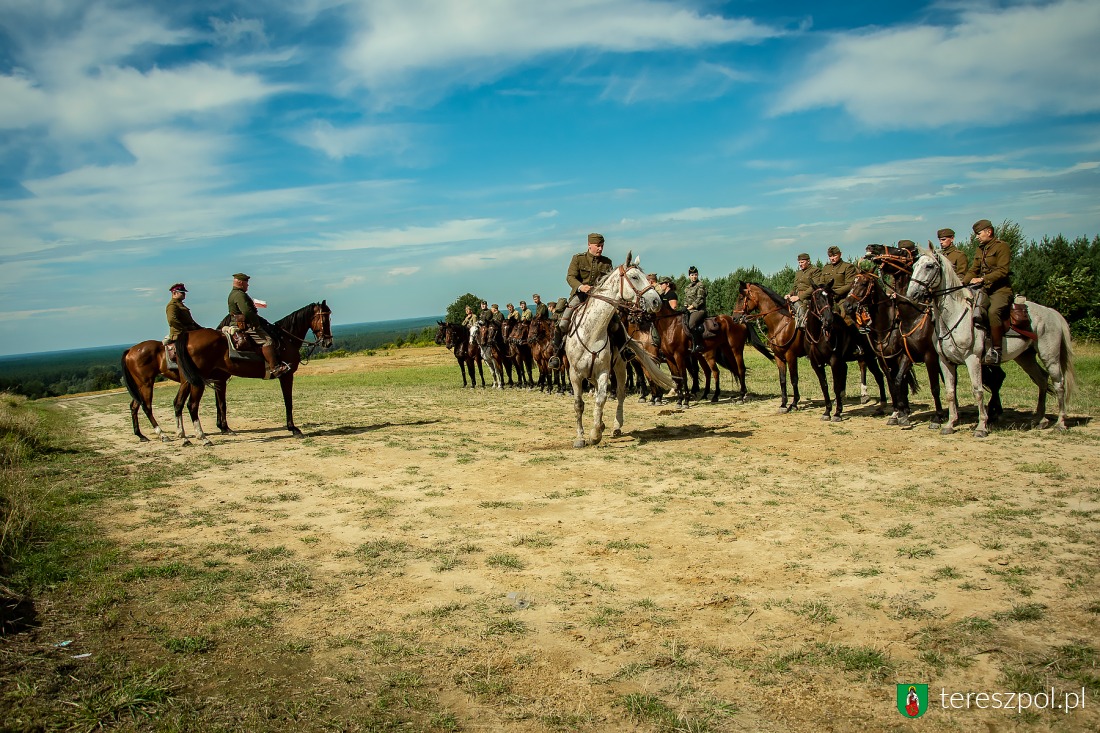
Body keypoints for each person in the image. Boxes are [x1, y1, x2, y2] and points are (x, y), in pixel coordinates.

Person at [548, 233, 614, 369]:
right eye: (597, 246)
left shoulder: (607, 262)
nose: (600, 248)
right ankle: (557, 355)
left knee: (617, 322)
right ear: (589, 245)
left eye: (602, 246)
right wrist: (580, 286)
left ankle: (623, 351)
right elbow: (570, 277)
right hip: (580, 296)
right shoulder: (578, 259)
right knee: (563, 322)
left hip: (600, 299)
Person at [964, 219, 1012, 364]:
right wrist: (962, 283)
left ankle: (996, 350)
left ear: (989, 232)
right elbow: (973, 269)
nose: (977, 237)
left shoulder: (1002, 246)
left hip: (1000, 290)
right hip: (984, 290)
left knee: (993, 312)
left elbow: (1003, 271)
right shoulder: (980, 249)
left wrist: (982, 279)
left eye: (979, 234)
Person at [228, 273, 289, 378]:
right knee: (268, 341)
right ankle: (274, 368)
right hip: (245, 326)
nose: (248, 285)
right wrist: (256, 323)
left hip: (238, 323)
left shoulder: (234, 293)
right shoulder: (239, 295)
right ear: (240, 282)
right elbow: (247, 311)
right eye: (246, 282)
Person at [818, 245, 858, 326]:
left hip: (842, 298)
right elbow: (821, 283)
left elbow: (850, 285)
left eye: (834, 255)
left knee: (846, 319)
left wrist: (834, 292)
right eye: (830, 256)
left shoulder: (848, 267)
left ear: (840, 254)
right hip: (827, 298)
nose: (832, 258)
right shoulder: (826, 268)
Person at [786, 253, 820, 328]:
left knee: (802, 308)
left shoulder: (815, 271)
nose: (800, 264)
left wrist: (799, 297)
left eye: (802, 262)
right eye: (799, 262)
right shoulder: (798, 273)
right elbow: (795, 287)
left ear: (808, 261)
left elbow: (813, 287)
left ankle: (803, 326)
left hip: (809, 297)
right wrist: (790, 294)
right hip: (796, 296)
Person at [651, 276, 679, 355]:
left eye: (662, 284)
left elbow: (673, 307)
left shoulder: (672, 294)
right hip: (662, 319)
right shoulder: (663, 295)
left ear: (667, 284)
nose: (660, 285)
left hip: (670, 320)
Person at [682, 266, 708, 352]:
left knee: (691, 324)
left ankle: (698, 344)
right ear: (689, 276)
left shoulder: (700, 285)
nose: (694, 277)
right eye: (692, 275)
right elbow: (686, 299)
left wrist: (689, 308)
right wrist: (684, 306)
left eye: (695, 275)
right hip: (689, 310)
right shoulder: (687, 287)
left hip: (699, 310)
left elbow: (700, 300)